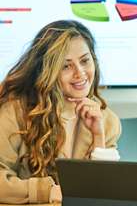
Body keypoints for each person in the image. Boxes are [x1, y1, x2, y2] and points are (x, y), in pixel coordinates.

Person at [0, 20, 121, 204]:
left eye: (85, 61)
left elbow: (106, 192)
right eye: (66, 66)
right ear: (47, 71)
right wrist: (45, 192)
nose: (80, 73)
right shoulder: (14, 113)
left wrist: (99, 137)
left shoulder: (106, 120)